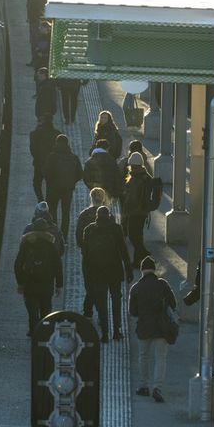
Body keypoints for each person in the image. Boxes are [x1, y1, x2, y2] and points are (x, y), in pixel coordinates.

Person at [129, 256, 176, 402]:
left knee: (143, 356)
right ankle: (157, 388)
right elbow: (173, 304)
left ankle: (143, 386)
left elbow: (133, 312)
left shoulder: (135, 288)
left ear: (142, 270)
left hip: (143, 327)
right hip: (161, 327)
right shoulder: (163, 285)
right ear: (154, 270)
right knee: (160, 358)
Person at [83, 206, 133, 341]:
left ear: (97, 216)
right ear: (109, 216)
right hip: (114, 271)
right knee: (116, 301)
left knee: (102, 304)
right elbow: (123, 250)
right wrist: (128, 270)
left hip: (96, 272)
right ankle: (116, 331)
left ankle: (105, 334)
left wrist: (87, 276)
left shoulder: (88, 230)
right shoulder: (116, 229)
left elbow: (86, 256)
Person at [14, 217, 63, 336]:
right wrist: (59, 285)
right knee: (46, 311)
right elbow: (58, 266)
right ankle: (45, 332)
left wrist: (20, 283)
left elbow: (17, 265)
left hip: (30, 284)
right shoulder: (51, 245)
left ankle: (33, 331)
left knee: (32, 312)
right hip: (47, 284)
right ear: (46, 230)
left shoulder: (26, 244)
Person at [42, 135, 83, 237]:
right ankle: (64, 236)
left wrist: (50, 182)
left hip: (53, 189)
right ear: (67, 144)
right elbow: (80, 173)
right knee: (66, 213)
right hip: (67, 190)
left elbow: (45, 172)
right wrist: (72, 181)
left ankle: (54, 234)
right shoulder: (73, 157)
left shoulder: (52, 156)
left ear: (56, 143)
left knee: (52, 211)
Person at [75, 187, 107, 316]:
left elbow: (78, 236)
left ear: (91, 198)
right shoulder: (108, 215)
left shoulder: (84, 215)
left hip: (88, 256)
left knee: (89, 284)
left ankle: (88, 310)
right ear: (103, 199)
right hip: (104, 257)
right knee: (101, 285)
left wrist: (84, 248)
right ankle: (100, 312)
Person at [122, 152, 152, 268]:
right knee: (138, 236)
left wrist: (126, 212)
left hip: (134, 212)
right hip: (143, 211)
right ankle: (136, 261)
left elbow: (131, 198)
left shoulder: (134, 178)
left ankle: (144, 253)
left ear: (132, 165)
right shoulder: (146, 176)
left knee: (133, 236)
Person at [29, 115, 62, 201]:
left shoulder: (34, 134)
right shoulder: (58, 133)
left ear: (41, 122)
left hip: (39, 163)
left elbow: (32, 149)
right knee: (50, 183)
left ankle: (40, 200)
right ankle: (49, 201)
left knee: (37, 183)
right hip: (53, 164)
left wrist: (37, 157)